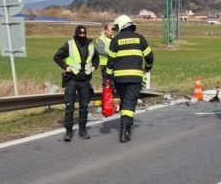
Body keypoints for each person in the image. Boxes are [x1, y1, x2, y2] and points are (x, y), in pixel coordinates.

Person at [106, 15, 153, 143]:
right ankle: (125, 130)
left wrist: (108, 78)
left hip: (119, 79)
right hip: (134, 78)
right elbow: (149, 56)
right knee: (129, 102)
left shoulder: (115, 40)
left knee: (124, 101)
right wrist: (148, 67)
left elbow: (110, 62)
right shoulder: (140, 39)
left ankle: (124, 124)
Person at [53, 24, 100, 141]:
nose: (82, 35)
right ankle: (68, 132)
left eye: (84, 34)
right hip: (72, 80)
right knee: (70, 107)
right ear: (76, 34)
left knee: (84, 107)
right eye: (80, 34)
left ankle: (82, 131)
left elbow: (96, 58)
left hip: (85, 81)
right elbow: (57, 57)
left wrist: (94, 66)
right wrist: (65, 66)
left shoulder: (90, 45)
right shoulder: (69, 44)